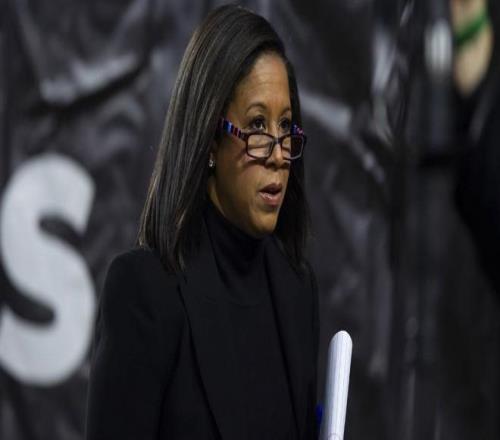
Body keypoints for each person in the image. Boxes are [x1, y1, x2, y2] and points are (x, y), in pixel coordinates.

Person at [85, 4, 319, 440]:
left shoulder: (297, 290)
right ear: (211, 140)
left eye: (286, 126)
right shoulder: (144, 291)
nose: (278, 154)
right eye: (257, 125)